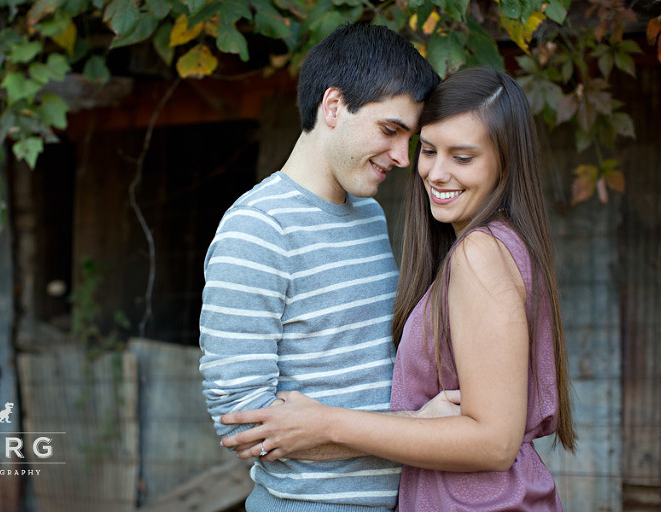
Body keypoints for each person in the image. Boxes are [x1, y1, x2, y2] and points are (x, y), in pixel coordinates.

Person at [220, 66, 578, 511]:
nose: (435, 172)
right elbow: (241, 419)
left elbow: (493, 443)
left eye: (462, 157)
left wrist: (327, 424)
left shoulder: (479, 254)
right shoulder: (494, 245)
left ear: (505, 160)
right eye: (428, 150)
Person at [199, 22, 444, 512]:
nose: (402, 157)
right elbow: (244, 424)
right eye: (390, 130)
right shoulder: (257, 229)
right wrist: (412, 430)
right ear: (333, 107)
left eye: (409, 139)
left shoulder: (370, 215)